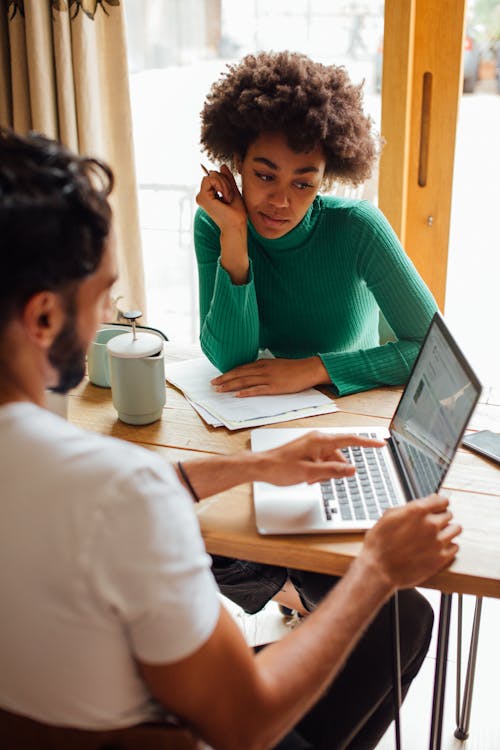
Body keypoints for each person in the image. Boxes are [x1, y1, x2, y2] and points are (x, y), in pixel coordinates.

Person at [0, 127, 461, 750]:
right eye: (105, 293)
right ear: (44, 318)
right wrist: (376, 567)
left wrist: (248, 469)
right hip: (182, 729)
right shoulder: (120, 492)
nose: (111, 316)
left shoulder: (78, 475)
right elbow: (245, 723)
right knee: (399, 618)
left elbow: (96, 494)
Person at [194, 49, 439, 621]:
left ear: (329, 177)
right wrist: (234, 236)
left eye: (305, 184)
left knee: (371, 600)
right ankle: (294, 596)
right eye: (264, 176)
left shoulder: (357, 229)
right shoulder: (219, 222)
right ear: (233, 162)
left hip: (340, 424)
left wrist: (314, 368)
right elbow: (229, 355)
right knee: (191, 534)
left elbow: (430, 350)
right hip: (258, 429)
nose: (281, 201)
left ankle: (307, 599)